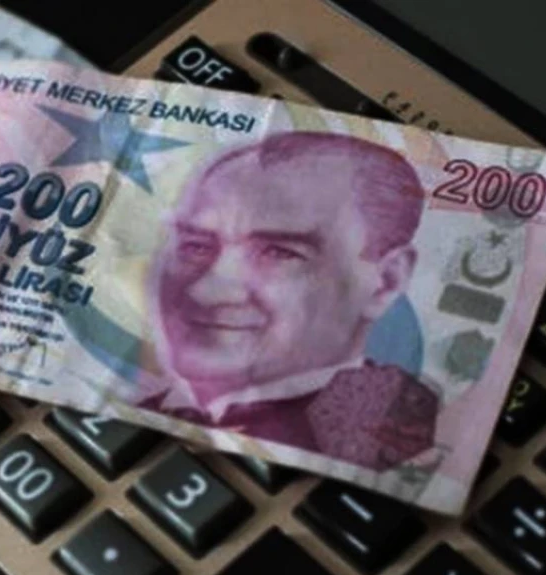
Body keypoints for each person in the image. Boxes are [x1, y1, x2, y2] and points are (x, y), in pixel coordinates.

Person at [140, 131, 439, 469]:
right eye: (195, 246)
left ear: (385, 282)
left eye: (279, 253)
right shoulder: (138, 409)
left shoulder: (402, 446)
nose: (206, 291)